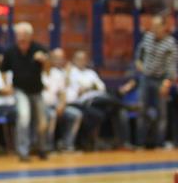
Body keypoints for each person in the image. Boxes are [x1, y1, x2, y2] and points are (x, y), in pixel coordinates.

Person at [0, 22, 48, 161]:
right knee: (24, 117)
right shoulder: (10, 51)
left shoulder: (38, 49)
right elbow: (3, 70)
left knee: (42, 121)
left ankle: (42, 148)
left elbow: (49, 69)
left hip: (37, 90)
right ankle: (23, 151)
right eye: (18, 34)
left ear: (30, 35)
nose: (20, 37)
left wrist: (44, 60)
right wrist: (6, 84)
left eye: (23, 34)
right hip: (20, 90)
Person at [67, 50, 131, 149]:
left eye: (83, 59)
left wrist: (90, 87)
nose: (81, 61)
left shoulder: (91, 73)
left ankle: (123, 142)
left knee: (120, 111)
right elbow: (75, 90)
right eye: (79, 59)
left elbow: (101, 87)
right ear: (74, 60)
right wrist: (90, 87)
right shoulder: (71, 72)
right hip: (86, 102)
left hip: (99, 98)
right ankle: (126, 106)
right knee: (99, 112)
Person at [135, 15, 177, 147]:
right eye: (153, 25)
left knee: (161, 113)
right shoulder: (147, 37)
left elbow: (172, 66)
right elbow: (139, 53)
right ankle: (140, 143)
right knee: (142, 109)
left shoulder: (170, 43)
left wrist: (167, 83)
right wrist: (139, 63)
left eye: (157, 26)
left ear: (164, 27)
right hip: (146, 78)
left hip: (161, 80)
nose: (154, 28)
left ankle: (159, 143)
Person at [43, 48, 83, 152]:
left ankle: (67, 144)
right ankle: (48, 146)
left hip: (56, 106)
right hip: (42, 107)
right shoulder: (37, 73)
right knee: (51, 115)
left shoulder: (57, 73)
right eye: (54, 58)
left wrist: (62, 104)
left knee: (76, 114)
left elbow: (62, 92)